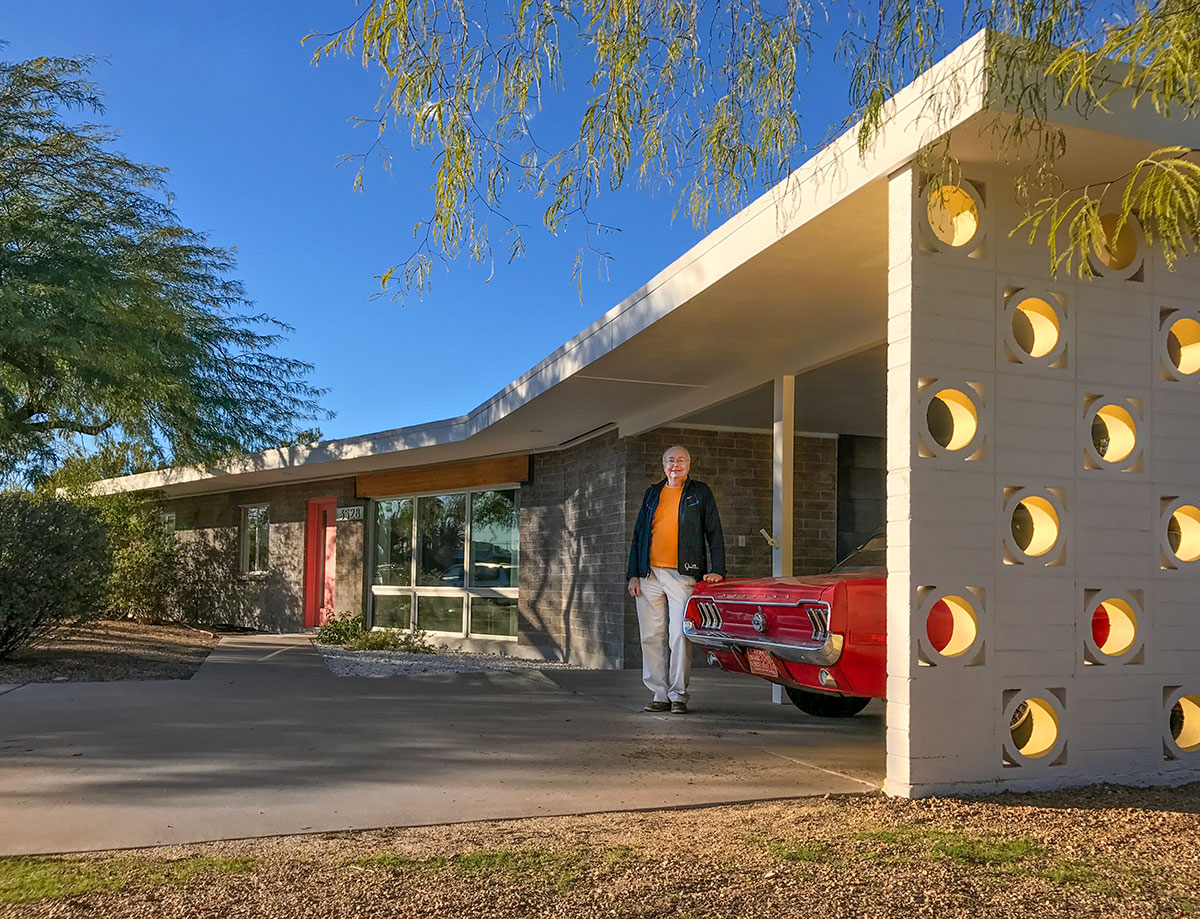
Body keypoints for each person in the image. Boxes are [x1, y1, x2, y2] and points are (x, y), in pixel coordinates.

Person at [626, 445, 726, 714]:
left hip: (682, 574)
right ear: (663, 465)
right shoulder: (652, 493)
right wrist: (632, 574)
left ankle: (678, 695)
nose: (675, 464)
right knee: (650, 636)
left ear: (689, 465)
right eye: (670, 460)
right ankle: (659, 694)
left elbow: (714, 532)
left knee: (680, 634)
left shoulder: (699, 493)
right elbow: (638, 535)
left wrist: (718, 569)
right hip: (649, 575)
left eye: (681, 460)